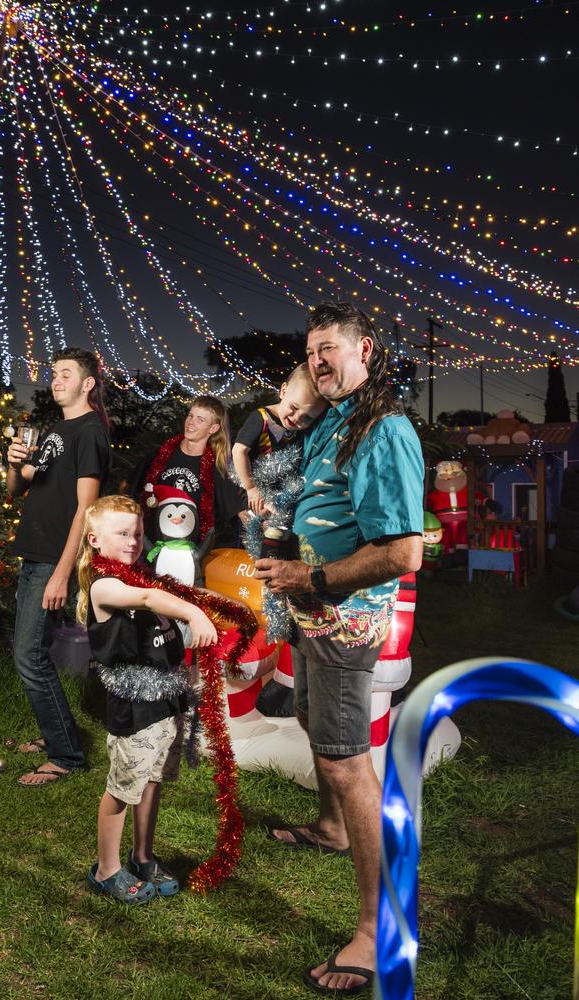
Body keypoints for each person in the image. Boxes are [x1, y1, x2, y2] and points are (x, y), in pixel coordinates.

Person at [254, 302, 424, 996]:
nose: (319, 361)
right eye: (311, 351)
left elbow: (402, 551)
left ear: (364, 350)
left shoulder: (383, 429)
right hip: (312, 611)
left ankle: (376, 929)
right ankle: (331, 828)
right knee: (309, 723)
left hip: (346, 616)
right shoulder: (335, 419)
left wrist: (311, 576)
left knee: (349, 762)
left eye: (330, 349)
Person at [76, 495, 217, 902]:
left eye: (138, 532)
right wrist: (194, 613)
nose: (134, 540)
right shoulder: (105, 585)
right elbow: (147, 602)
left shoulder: (143, 575)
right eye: (122, 533)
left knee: (153, 781)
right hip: (135, 707)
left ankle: (142, 856)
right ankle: (106, 869)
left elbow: (163, 621)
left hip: (165, 701)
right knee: (123, 788)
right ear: (95, 539)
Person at [6, 347, 111, 786]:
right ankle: (58, 738)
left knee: (28, 656)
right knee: (33, 652)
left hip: (52, 559)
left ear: (87, 383)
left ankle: (66, 755)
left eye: (65, 373)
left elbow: (86, 510)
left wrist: (62, 573)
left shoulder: (90, 432)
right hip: (33, 553)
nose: (56, 379)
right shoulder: (55, 430)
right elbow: (19, 488)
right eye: (53, 373)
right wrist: (12, 464)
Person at [139, 395, 247, 549]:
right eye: (190, 416)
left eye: (200, 420)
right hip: (151, 547)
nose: (191, 422)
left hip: (191, 553)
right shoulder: (160, 454)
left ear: (213, 428)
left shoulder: (216, 467)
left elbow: (239, 511)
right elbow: (128, 491)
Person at [232, 362, 327, 514]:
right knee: (266, 516)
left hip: (281, 487)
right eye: (294, 408)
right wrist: (251, 487)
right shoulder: (261, 418)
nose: (297, 418)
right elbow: (238, 451)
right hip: (252, 482)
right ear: (283, 391)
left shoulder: (302, 429)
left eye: (307, 418)